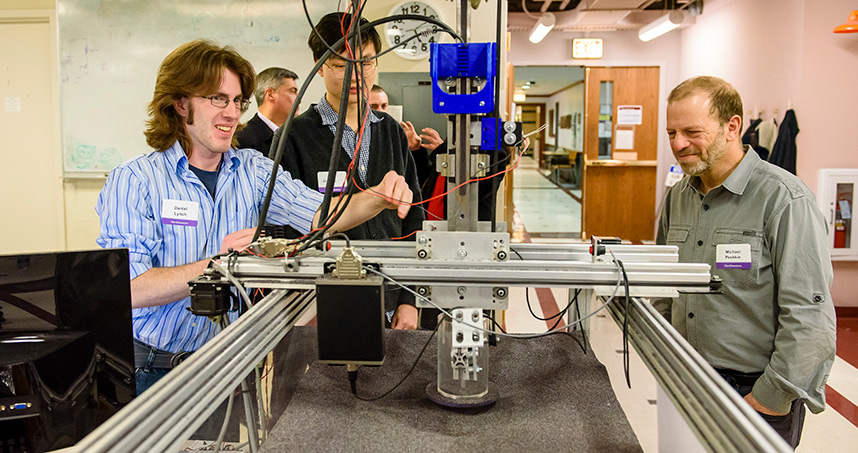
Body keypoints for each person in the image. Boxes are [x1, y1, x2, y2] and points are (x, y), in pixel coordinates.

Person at [95, 40, 413, 392]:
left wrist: (377, 195)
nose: (232, 113)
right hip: (155, 370)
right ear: (180, 102)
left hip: (229, 366)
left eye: (236, 101)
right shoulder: (136, 180)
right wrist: (223, 264)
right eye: (218, 99)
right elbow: (130, 289)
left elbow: (322, 214)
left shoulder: (253, 170)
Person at [656, 76, 836, 448]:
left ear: (732, 126)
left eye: (692, 131)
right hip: (685, 379)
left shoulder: (784, 200)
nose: (678, 144)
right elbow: (662, 281)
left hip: (753, 393)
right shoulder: (679, 197)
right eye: (671, 132)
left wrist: (771, 398)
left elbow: (810, 313)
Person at [279, 13, 423, 330]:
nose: (356, 76)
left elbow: (413, 218)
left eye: (366, 63)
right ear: (318, 64)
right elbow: (286, 230)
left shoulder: (392, 132)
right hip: (321, 306)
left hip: (390, 300)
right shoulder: (294, 136)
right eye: (341, 66)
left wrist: (409, 299)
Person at [368, 84, 445, 219]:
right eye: (373, 106)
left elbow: (418, 182)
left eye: (384, 106)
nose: (381, 111)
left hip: (398, 215)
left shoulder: (395, 135)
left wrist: (415, 150)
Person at [235, 67, 299, 155]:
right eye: (293, 91)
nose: (299, 100)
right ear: (270, 94)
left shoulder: (296, 138)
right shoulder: (242, 140)